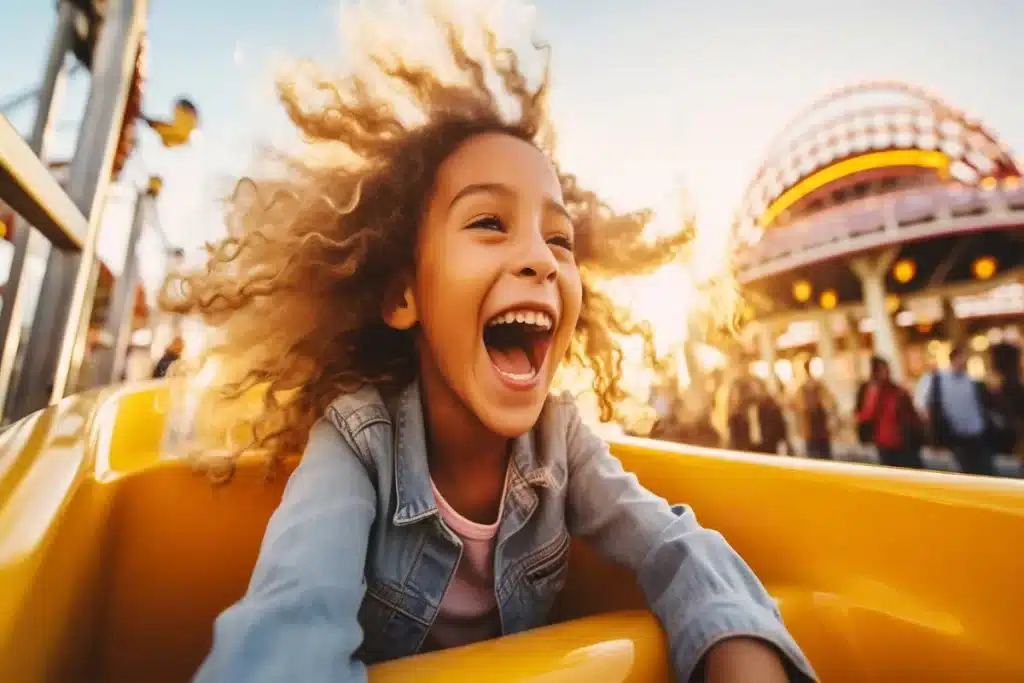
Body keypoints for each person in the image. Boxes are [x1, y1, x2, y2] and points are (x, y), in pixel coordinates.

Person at [165, 7, 816, 683]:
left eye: (557, 238)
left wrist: (735, 641)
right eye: (488, 222)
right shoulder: (359, 442)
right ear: (401, 297)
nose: (539, 257)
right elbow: (289, 620)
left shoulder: (561, 442)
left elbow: (671, 540)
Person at [914, 344, 996, 476]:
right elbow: (923, 406)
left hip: (977, 433)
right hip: (955, 436)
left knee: (985, 471)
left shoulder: (970, 380)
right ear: (954, 358)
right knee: (965, 473)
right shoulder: (937, 379)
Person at [857, 357, 924, 469]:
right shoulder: (871, 391)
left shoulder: (897, 391)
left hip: (903, 440)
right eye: (882, 370)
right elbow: (866, 416)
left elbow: (910, 415)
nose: (886, 372)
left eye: (886, 369)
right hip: (885, 443)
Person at [792, 362, 836, 459]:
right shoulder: (814, 386)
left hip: (816, 428)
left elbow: (796, 407)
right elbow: (831, 403)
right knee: (822, 456)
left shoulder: (805, 387)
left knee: (816, 456)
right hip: (814, 428)